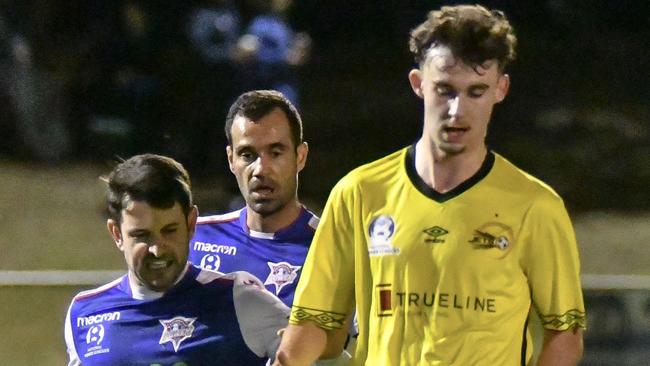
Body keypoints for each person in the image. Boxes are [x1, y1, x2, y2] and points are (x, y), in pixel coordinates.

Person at [275, 4, 585, 366]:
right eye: (445, 90)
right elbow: (315, 320)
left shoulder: (535, 206)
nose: (457, 110)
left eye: (476, 91)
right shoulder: (359, 193)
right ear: (418, 84)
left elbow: (563, 332)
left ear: (501, 89)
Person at [64, 154, 289, 365]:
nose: (157, 250)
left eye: (169, 231)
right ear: (117, 234)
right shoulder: (85, 313)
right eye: (142, 235)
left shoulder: (239, 299)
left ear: (191, 224)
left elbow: (309, 347)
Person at [188, 89, 315, 307]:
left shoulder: (329, 247)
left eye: (275, 153)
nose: (260, 169)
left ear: (300, 157)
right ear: (231, 160)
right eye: (247, 155)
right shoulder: (193, 239)